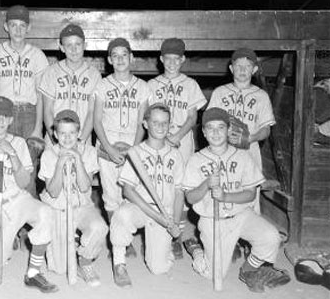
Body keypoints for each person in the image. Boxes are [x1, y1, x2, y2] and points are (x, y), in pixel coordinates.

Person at [182, 107, 290, 293]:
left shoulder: (243, 157)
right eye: (210, 128)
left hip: (241, 215)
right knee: (212, 274)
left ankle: (249, 269)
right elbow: (190, 198)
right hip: (212, 220)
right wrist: (206, 184)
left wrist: (226, 196)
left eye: (221, 127)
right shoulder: (196, 160)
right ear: (204, 132)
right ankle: (196, 249)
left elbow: (250, 194)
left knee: (271, 237)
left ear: (229, 129)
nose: (216, 132)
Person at [0, 96, 58, 293]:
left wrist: (13, 155)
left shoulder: (18, 142)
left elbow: (25, 182)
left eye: (5, 116)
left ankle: (34, 273)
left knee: (46, 213)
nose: (0, 121)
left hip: (18, 199)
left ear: (11, 120)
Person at [110, 104, 185, 287]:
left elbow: (179, 192)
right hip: (140, 207)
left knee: (159, 268)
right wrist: (158, 217)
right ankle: (119, 264)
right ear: (145, 124)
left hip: (165, 211)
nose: (160, 127)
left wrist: (174, 222)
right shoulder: (136, 152)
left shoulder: (176, 155)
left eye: (164, 123)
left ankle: (156, 245)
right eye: (155, 122)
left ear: (170, 125)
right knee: (121, 214)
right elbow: (128, 191)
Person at [147, 38, 207, 258]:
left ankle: (176, 237)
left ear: (183, 59)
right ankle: (157, 233)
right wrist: (160, 138)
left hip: (181, 142)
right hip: (158, 143)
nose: (172, 63)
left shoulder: (190, 84)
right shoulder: (152, 85)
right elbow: (147, 118)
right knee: (159, 185)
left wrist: (177, 135)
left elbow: (193, 117)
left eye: (176, 59)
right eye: (168, 58)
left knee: (179, 189)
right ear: (161, 59)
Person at [39, 109, 109, 287]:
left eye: (72, 133)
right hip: (58, 208)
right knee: (60, 269)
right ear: (55, 134)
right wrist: (60, 163)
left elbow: (85, 187)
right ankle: (68, 242)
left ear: (78, 133)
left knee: (99, 227)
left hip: (81, 206)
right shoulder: (48, 154)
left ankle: (84, 262)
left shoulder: (89, 152)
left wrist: (78, 160)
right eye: (62, 133)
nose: (67, 138)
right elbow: (53, 192)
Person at [206, 48, 275, 212]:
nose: (243, 70)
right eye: (238, 66)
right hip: (222, 151)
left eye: (248, 66)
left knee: (250, 200)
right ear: (231, 69)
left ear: (255, 70)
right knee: (222, 196)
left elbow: (266, 130)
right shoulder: (220, 92)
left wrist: (250, 138)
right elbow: (208, 123)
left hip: (250, 151)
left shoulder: (261, 96)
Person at [94, 38, 150, 220]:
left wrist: (133, 151)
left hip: (132, 142)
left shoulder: (142, 86)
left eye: (124, 55)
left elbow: (143, 122)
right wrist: (109, 149)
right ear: (109, 60)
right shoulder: (102, 85)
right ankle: (117, 242)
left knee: (130, 192)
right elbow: (96, 121)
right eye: (115, 56)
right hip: (107, 140)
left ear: (131, 57)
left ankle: (124, 237)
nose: (119, 59)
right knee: (110, 194)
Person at [0, 5, 48, 143]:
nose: (18, 30)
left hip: (29, 112)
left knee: (30, 157)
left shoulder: (37, 55)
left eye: (22, 26)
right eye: (13, 25)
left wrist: (38, 127)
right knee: (3, 157)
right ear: (6, 27)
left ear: (28, 28)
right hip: (2, 111)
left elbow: (40, 94)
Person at [39, 24, 102, 144]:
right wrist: (56, 141)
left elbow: (91, 112)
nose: (74, 50)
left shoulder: (94, 75)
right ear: (62, 48)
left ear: (85, 45)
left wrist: (81, 141)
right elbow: (48, 111)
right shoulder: (51, 72)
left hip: (82, 140)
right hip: (55, 141)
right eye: (69, 45)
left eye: (78, 44)